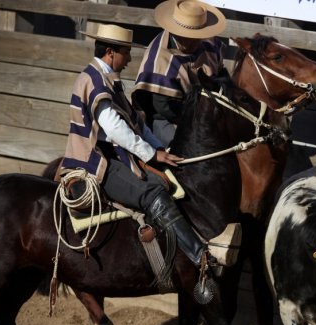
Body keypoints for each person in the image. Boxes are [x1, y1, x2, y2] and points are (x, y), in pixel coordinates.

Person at [58, 23, 213, 270]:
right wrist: (151, 154)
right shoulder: (97, 82)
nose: (129, 59)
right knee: (153, 193)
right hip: (95, 162)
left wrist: (159, 151)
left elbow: (137, 124)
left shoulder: (106, 80)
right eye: (126, 52)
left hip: (112, 154)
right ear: (110, 52)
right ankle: (199, 257)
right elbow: (116, 130)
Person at [133, 0, 227, 146]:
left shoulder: (210, 45)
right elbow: (164, 107)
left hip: (209, 110)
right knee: (185, 148)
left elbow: (222, 76)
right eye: (190, 36)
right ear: (177, 33)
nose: (196, 41)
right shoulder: (159, 60)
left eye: (199, 35)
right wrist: (199, 120)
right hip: (168, 118)